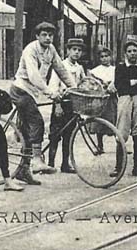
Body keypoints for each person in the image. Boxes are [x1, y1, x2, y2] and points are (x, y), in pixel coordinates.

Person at [10, 21, 79, 185]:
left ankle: (23, 170)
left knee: (27, 133)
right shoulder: (30, 50)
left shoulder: (51, 50)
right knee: (37, 122)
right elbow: (34, 76)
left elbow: (61, 69)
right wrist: (50, 92)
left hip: (32, 93)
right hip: (21, 89)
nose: (48, 38)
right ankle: (36, 159)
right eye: (44, 35)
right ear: (37, 36)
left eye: (51, 35)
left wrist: (74, 88)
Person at [47, 38, 87, 173]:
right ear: (68, 50)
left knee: (69, 135)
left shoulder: (79, 68)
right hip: (61, 103)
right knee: (55, 135)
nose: (76, 53)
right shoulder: (60, 66)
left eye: (79, 50)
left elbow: (82, 84)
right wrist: (57, 104)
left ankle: (65, 164)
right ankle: (50, 164)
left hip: (73, 105)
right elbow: (53, 86)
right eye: (74, 49)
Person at [114, 41, 137, 178]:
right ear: (125, 54)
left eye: (135, 51)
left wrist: (131, 84)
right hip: (125, 100)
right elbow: (120, 86)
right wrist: (134, 82)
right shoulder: (121, 68)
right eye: (129, 51)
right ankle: (118, 167)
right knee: (121, 131)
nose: (132, 54)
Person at [89, 47, 118, 154]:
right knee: (99, 122)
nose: (105, 59)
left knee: (115, 120)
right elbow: (92, 83)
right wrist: (101, 84)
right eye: (102, 57)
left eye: (107, 56)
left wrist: (111, 85)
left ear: (111, 57)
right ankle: (99, 145)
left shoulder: (115, 70)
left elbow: (118, 82)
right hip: (100, 99)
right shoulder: (96, 71)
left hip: (111, 99)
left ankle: (120, 144)